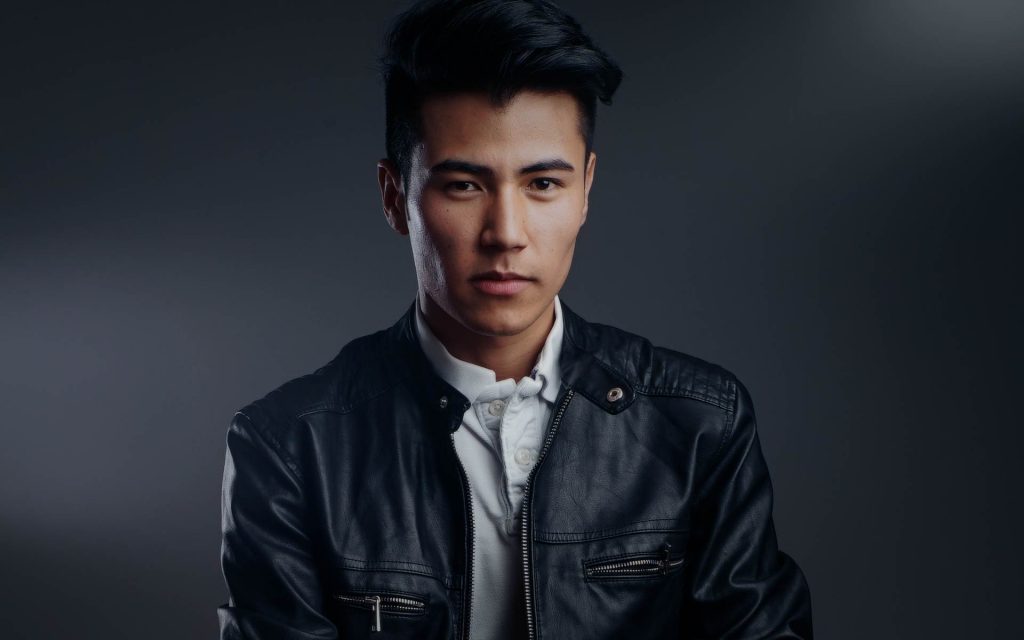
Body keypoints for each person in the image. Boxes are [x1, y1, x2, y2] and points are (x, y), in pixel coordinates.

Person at [217, 0, 813, 638]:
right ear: (395, 197)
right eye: (464, 185)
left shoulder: (699, 423)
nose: (506, 233)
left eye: (543, 184)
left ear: (585, 190)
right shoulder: (290, 447)